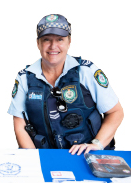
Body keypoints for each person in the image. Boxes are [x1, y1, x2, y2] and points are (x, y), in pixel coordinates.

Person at [8, 14, 124, 155]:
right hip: (46, 157)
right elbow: (20, 124)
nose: (53, 46)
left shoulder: (86, 71)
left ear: (69, 42)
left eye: (60, 39)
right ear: (38, 43)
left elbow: (115, 112)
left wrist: (97, 144)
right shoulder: (24, 78)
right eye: (46, 40)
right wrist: (33, 160)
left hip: (89, 155)